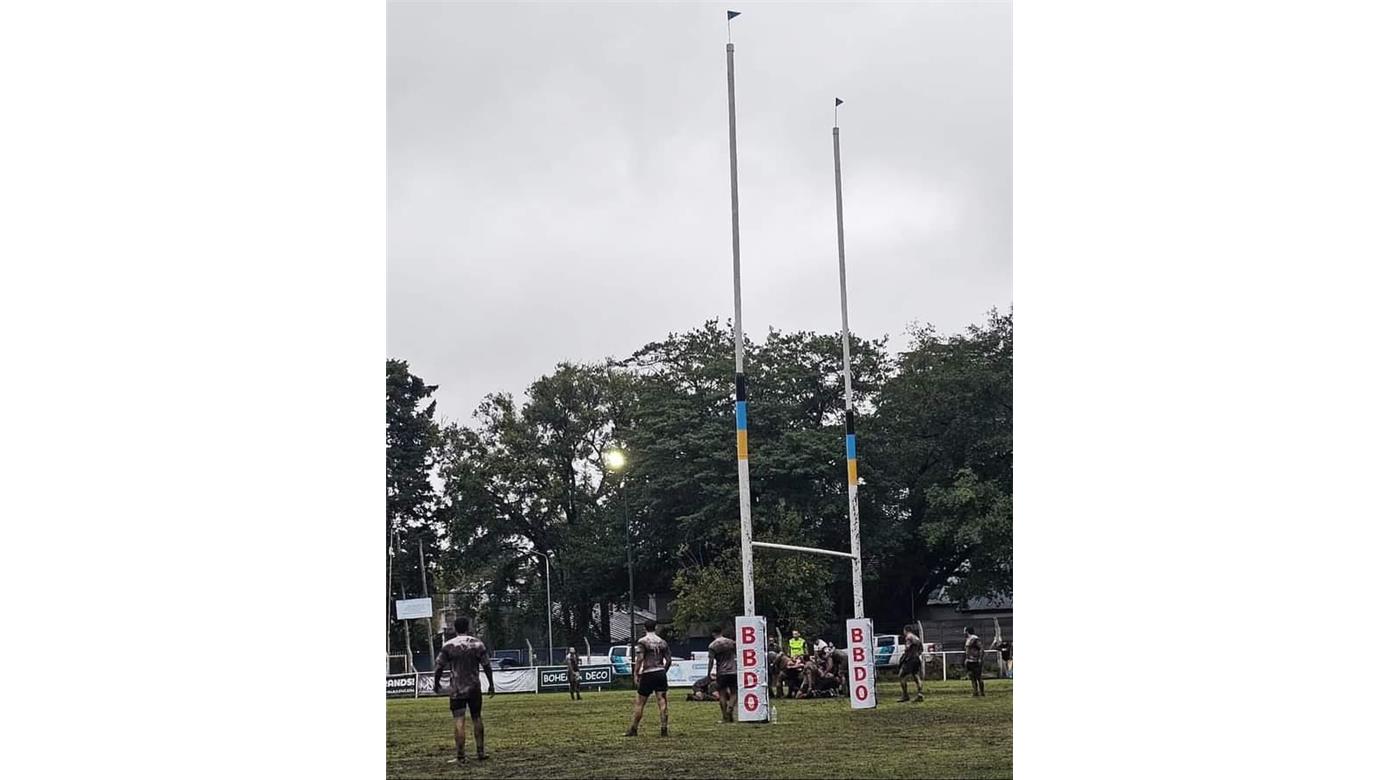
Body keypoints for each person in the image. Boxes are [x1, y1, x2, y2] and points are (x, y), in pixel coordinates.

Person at [432, 616, 496, 763]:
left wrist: (436, 684)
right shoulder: (477, 644)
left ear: (455, 628)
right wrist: (491, 684)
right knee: (477, 718)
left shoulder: (448, 646)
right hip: (474, 688)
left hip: (457, 689)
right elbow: (486, 665)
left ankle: (461, 756)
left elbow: (439, 667)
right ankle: (480, 752)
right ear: (468, 627)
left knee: (459, 720)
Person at [625, 619, 672, 737]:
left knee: (640, 702)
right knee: (662, 700)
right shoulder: (662, 642)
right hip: (660, 672)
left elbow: (640, 659)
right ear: (656, 627)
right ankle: (664, 728)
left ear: (644, 628)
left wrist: (636, 673)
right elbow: (669, 660)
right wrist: (663, 671)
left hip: (648, 672)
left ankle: (634, 729)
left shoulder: (643, 641)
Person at [706, 626, 738, 723]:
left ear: (713, 634)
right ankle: (730, 708)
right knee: (734, 692)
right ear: (722, 632)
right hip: (733, 671)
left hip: (722, 672)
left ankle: (725, 716)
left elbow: (711, 661)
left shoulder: (712, 646)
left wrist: (708, 673)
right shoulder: (731, 642)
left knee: (722, 694)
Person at [896, 624, 924, 703]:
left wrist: (904, 658)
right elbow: (921, 649)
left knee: (901, 676)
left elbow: (907, 648)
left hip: (910, 659)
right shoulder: (917, 638)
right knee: (916, 676)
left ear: (906, 630)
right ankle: (920, 694)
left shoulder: (908, 637)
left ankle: (905, 695)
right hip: (917, 659)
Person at [964, 626, 986, 697]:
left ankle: (982, 692)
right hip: (969, 660)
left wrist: (980, 658)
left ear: (967, 631)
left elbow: (981, 648)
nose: (963, 632)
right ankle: (975, 692)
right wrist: (966, 659)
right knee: (972, 677)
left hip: (975, 661)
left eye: (964, 630)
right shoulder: (968, 639)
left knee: (978, 677)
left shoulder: (975, 639)